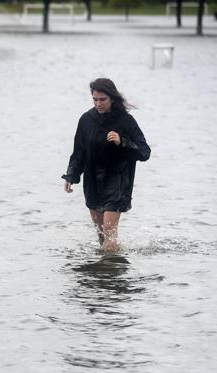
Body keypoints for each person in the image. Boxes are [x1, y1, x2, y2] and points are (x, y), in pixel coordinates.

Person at [62, 78, 151, 253]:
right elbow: (79, 152)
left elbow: (144, 152)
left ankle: (110, 274)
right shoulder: (86, 120)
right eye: (95, 99)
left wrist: (122, 141)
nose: (98, 103)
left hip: (118, 180)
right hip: (93, 180)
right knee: (101, 232)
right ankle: (104, 274)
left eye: (103, 99)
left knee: (109, 229)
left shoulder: (126, 121)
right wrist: (71, 175)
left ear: (112, 99)